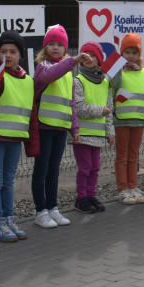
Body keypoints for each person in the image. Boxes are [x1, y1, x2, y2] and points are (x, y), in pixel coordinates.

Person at [0, 31, 35, 242]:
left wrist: (32, 143)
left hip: (15, 137)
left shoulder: (26, 78)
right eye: (3, 51)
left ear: (20, 54)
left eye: (12, 52)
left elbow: (32, 114)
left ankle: (9, 219)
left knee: (9, 181)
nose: (7, 56)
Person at [32, 25, 89, 228]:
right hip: (44, 127)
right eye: (51, 44)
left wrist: (75, 128)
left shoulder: (68, 74)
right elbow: (48, 77)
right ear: (45, 47)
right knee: (42, 170)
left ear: (65, 48)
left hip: (60, 128)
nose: (55, 48)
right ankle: (40, 211)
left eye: (60, 44)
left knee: (54, 170)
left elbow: (71, 102)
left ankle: (52, 208)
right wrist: (72, 60)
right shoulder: (43, 67)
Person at [110, 33, 144, 203]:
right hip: (121, 119)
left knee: (134, 156)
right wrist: (115, 70)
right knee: (122, 156)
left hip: (139, 120)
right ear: (121, 54)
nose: (131, 56)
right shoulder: (117, 72)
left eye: (134, 52)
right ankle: (123, 189)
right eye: (127, 52)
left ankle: (133, 186)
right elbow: (112, 88)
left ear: (140, 54)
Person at [72, 41, 113, 212]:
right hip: (82, 135)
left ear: (100, 58)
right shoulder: (78, 81)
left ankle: (91, 195)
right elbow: (79, 107)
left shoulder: (105, 82)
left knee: (95, 167)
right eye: (85, 55)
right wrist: (100, 111)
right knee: (85, 167)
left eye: (93, 55)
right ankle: (81, 199)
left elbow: (110, 109)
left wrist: (110, 132)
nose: (89, 58)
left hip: (98, 135)